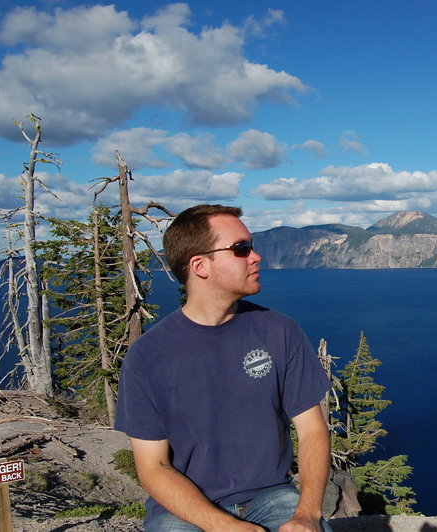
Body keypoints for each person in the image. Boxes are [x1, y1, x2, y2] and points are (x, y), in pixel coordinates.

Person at [114, 204, 333, 532]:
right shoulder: (147, 357)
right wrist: (225, 526)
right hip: (184, 506)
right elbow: (154, 466)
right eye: (241, 249)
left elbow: (313, 430)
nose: (256, 257)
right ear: (200, 266)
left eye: (252, 246)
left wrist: (307, 514)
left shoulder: (279, 332)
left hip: (271, 495)